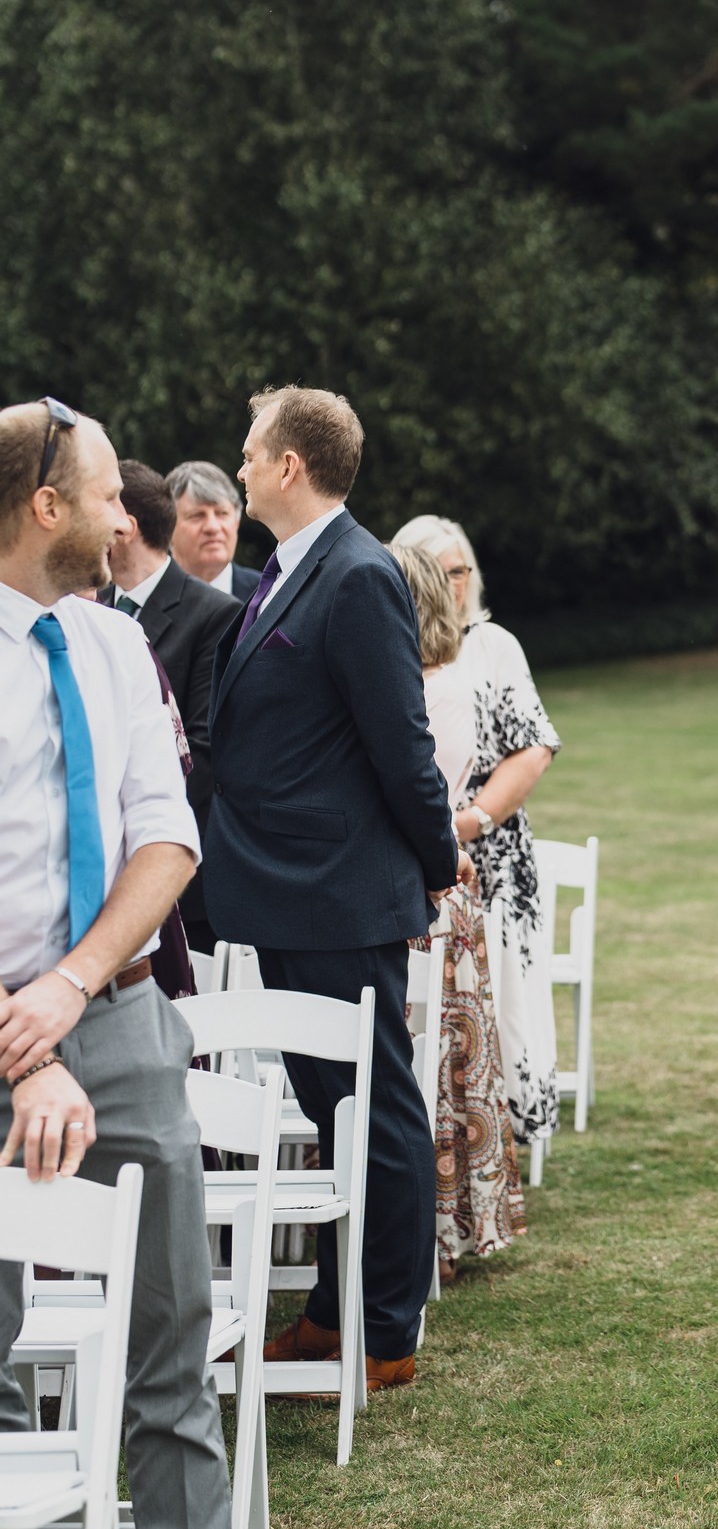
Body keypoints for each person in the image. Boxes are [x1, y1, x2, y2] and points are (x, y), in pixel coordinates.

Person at [0, 398, 245, 1529]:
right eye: (104, 497)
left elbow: (167, 838)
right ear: (47, 507)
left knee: (170, 1310)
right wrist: (22, 1038)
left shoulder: (114, 646)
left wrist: (78, 985)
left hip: (124, 1012)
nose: (125, 518)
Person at [205, 388, 462, 1390]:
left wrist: (435, 862)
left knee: (377, 1110)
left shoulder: (357, 575)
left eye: (249, 452)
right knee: (331, 1108)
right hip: (284, 887)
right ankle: (328, 1305)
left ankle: (386, 1329)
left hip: (341, 888)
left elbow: (401, 742)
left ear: (290, 467)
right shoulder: (286, 571)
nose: (238, 467)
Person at [391, 515, 562, 1151]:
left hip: (492, 847)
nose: (450, 583)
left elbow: (535, 746)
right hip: (420, 849)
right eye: (434, 571)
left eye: (458, 569)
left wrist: (465, 822)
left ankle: (504, 1138)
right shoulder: (388, 644)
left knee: (505, 998)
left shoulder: (494, 645)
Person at [390, 543, 527, 1275]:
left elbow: (423, 806)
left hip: (430, 897)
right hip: (426, 883)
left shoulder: (441, 692)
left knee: (441, 1065)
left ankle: (442, 1233)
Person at [106, 460, 241, 952]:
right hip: (102, 870)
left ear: (126, 527)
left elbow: (204, 754)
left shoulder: (215, 613)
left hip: (183, 872)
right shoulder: (92, 605)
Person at [166, 458, 262, 602]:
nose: (213, 527)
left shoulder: (268, 593)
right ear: (167, 527)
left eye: (222, 513)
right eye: (196, 515)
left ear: (236, 522)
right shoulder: (143, 596)